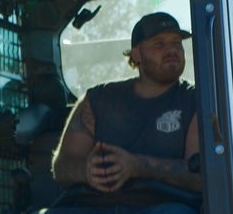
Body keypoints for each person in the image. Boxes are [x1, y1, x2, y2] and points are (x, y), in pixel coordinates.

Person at [49, 12, 202, 213]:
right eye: (159, 44)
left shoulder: (196, 100)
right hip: (92, 206)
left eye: (176, 43)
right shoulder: (97, 98)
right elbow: (62, 167)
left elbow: (199, 176)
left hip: (161, 206)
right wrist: (86, 170)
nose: (171, 50)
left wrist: (137, 166)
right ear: (136, 54)